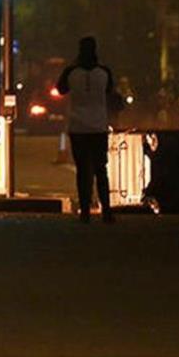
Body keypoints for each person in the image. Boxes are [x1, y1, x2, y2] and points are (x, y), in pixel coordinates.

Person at [56, 36, 115, 223]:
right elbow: (110, 91)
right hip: (99, 127)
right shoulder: (104, 72)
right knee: (101, 169)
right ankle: (106, 211)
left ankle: (85, 211)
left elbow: (61, 89)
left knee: (83, 170)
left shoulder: (71, 72)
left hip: (78, 127)